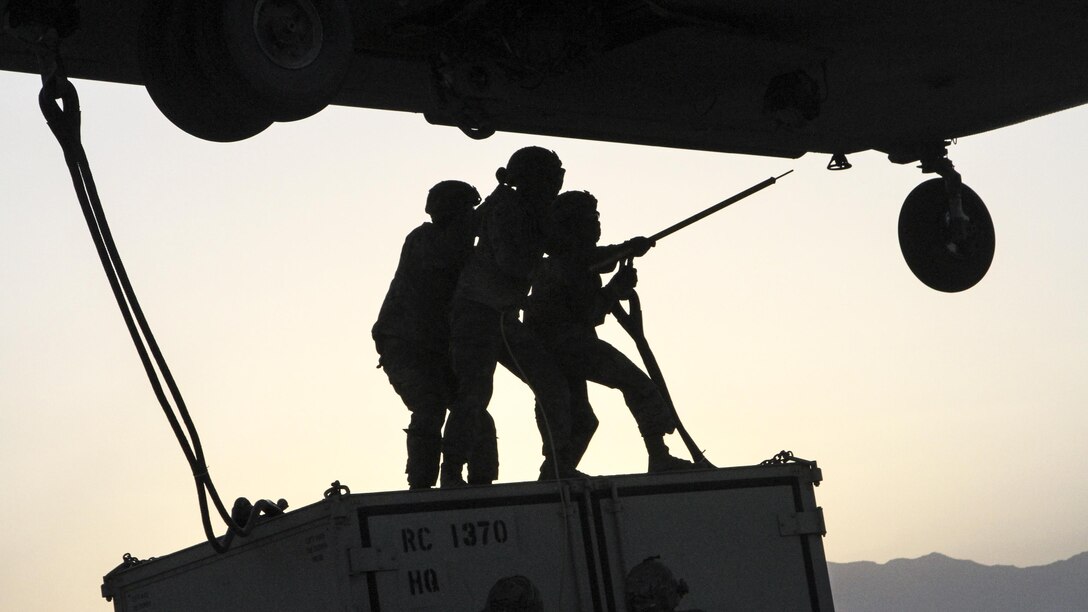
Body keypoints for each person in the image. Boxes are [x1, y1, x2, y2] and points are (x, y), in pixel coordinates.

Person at [525, 190, 692, 473]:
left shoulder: (569, 261)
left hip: (565, 346)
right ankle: (658, 455)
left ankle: (556, 469)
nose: (597, 223)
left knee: (582, 420)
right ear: (572, 225)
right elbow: (588, 311)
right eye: (590, 218)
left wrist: (627, 250)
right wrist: (616, 287)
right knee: (637, 385)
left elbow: (600, 257)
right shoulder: (563, 266)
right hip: (567, 346)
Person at [442, 146, 578, 486]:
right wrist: (549, 260)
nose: (557, 183)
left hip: (501, 317)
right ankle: (452, 472)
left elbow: (559, 249)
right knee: (474, 392)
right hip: (479, 312)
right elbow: (511, 262)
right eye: (551, 176)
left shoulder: (526, 209)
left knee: (552, 386)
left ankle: (555, 469)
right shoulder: (507, 209)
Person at [373, 180, 498, 489]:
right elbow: (449, 251)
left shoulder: (465, 252)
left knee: (474, 412)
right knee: (429, 406)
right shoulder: (423, 240)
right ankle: (422, 484)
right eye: (463, 210)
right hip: (406, 346)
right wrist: (496, 203)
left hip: (441, 349)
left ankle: (479, 481)